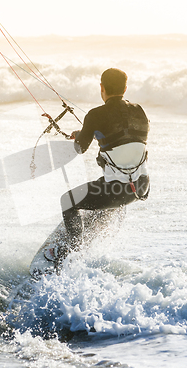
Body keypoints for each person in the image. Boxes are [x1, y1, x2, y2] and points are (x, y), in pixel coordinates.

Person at [46, 68, 150, 264]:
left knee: (68, 201)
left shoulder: (95, 115)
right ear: (125, 88)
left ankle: (74, 252)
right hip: (140, 187)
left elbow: (80, 149)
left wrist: (83, 134)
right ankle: (91, 239)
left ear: (101, 87)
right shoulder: (139, 111)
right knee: (107, 195)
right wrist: (95, 132)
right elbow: (125, 139)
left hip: (115, 191)